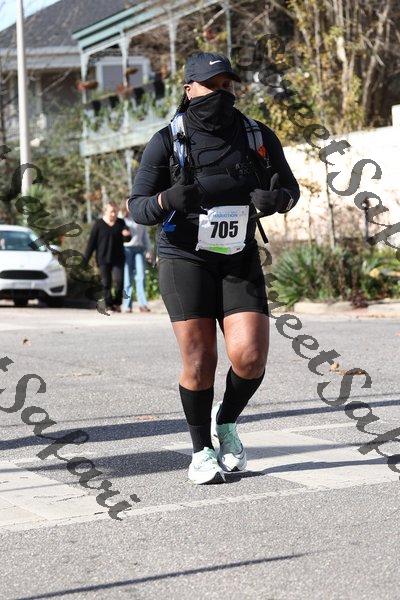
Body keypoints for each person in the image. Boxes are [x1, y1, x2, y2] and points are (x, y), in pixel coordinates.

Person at [128, 51, 300, 484]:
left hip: (238, 255)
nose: (222, 94)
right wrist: (166, 200)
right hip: (184, 257)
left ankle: (226, 421)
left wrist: (277, 200)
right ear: (189, 90)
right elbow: (137, 207)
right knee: (200, 360)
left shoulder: (256, 134)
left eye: (227, 85)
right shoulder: (166, 141)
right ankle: (201, 450)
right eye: (212, 86)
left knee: (250, 358)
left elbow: (290, 188)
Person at [84, 201, 131, 312]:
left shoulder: (121, 222)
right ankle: (109, 305)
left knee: (119, 282)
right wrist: (86, 259)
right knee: (106, 283)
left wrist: (127, 235)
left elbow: (127, 239)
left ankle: (117, 303)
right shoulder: (98, 224)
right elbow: (91, 243)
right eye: (111, 212)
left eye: (115, 212)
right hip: (103, 258)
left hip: (118, 258)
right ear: (105, 212)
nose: (114, 214)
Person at [122, 206, 153, 313]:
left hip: (139, 249)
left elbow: (145, 236)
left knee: (141, 276)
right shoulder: (122, 219)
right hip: (127, 249)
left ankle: (142, 304)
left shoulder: (140, 218)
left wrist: (149, 250)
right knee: (127, 278)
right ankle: (127, 305)